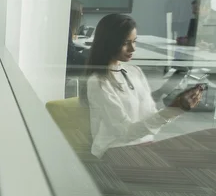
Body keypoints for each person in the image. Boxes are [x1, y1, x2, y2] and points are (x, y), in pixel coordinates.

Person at [83, 13, 204, 158]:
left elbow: (151, 119)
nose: (133, 49)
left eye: (134, 41)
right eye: (125, 43)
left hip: (144, 146)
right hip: (116, 151)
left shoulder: (135, 72)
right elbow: (125, 133)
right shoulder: (98, 82)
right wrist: (173, 109)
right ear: (109, 43)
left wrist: (178, 108)